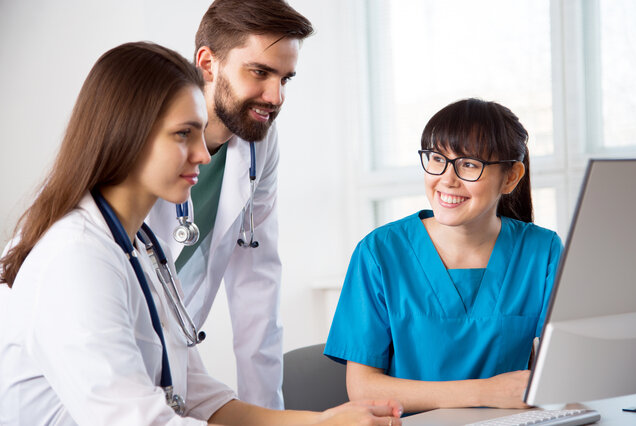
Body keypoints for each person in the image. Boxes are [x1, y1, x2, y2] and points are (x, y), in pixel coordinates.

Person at [0, 41, 403, 426]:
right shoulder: (76, 258)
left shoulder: (145, 247)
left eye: (200, 132)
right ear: (127, 133)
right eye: (183, 134)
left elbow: (196, 395)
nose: (204, 154)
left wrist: (319, 421)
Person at [324, 98, 564, 414]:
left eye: (468, 164)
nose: (447, 179)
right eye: (437, 158)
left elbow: (565, 367)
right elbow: (364, 389)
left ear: (510, 177)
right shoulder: (380, 253)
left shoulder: (542, 251)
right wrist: (486, 392)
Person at [146, 0, 312, 409]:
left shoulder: (259, 143)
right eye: (260, 72)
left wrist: (268, 415)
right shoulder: (144, 132)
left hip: (166, 353)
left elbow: (258, 286)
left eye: (285, 79)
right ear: (208, 63)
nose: (275, 97)